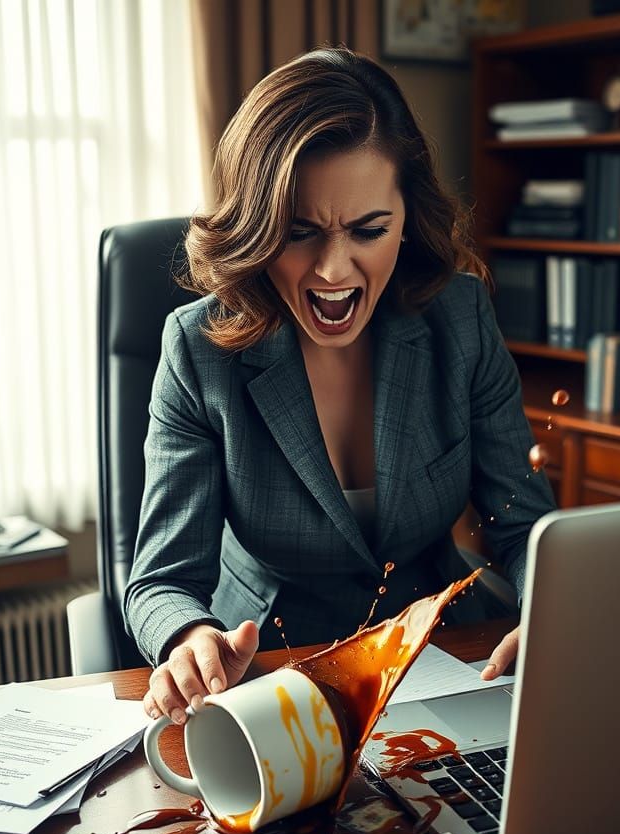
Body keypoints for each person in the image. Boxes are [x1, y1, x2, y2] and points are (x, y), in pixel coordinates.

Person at [124, 47, 555, 724]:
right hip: (269, 675)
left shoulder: (461, 319)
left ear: (408, 220)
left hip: (441, 658)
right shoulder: (198, 349)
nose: (332, 270)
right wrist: (188, 639)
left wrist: (550, 614)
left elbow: (524, 524)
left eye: (367, 229)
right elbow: (162, 580)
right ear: (259, 228)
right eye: (300, 232)